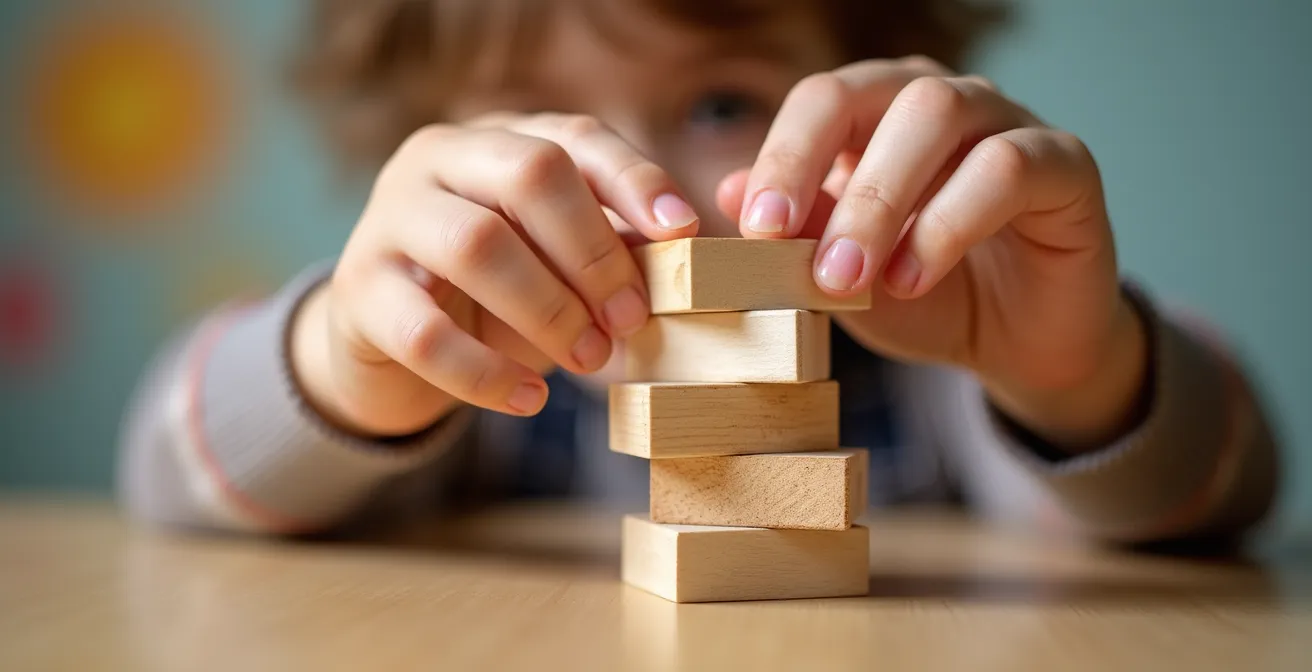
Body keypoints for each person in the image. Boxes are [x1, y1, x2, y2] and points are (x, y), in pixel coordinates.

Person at [118, 0, 1279, 543]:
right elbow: (163, 471)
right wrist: (341, 367)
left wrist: (1077, 383)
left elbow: (1225, 492)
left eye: (721, 104)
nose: (636, 184)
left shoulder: (941, 341)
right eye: (539, 119)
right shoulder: (453, 346)